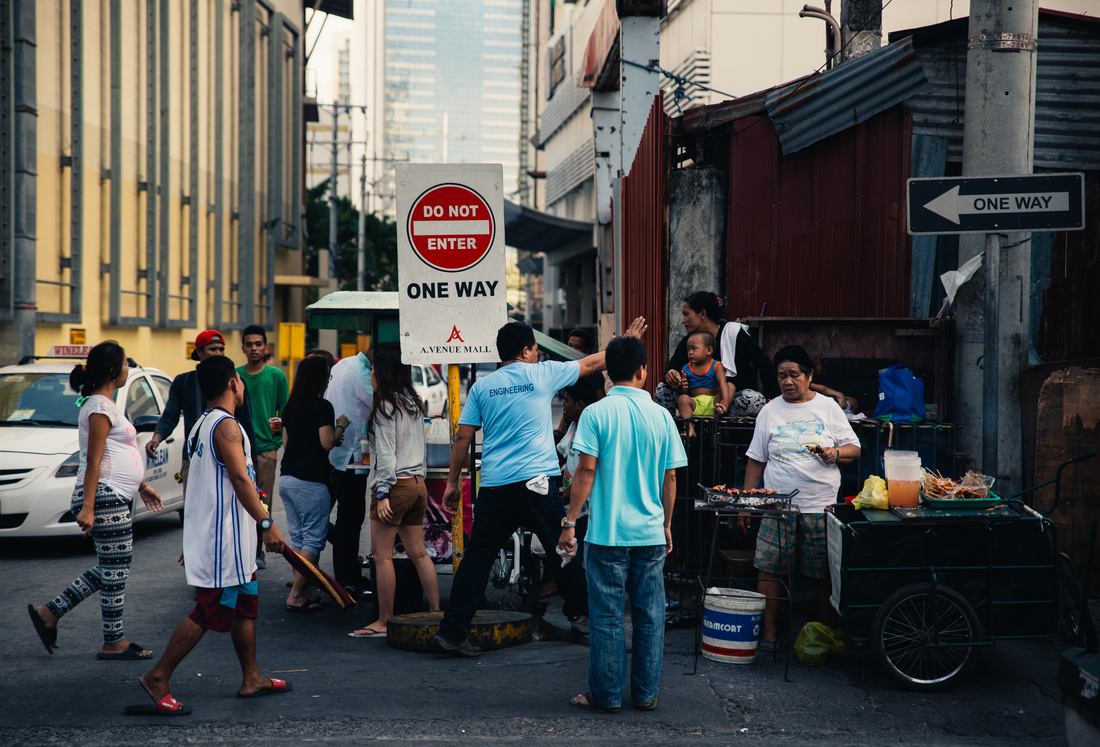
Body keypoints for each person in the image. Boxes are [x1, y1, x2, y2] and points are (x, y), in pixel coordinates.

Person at [431, 317, 647, 657]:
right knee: (562, 547)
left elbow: (463, 437)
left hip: (496, 485)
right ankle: (580, 618)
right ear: (528, 350)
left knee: (477, 558)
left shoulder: (482, 388)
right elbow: (592, 362)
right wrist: (627, 343)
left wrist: (452, 484)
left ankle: (453, 631)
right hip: (536, 483)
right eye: (534, 348)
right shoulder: (542, 374)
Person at [136, 356, 290, 715]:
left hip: (230, 539)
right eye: (239, 380)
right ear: (234, 383)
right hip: (226, 541)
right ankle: (158, 676)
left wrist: (194, 537)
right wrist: (267, 524)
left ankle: (251, 676)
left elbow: (202, 486)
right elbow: (240, 480)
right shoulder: (226, 427)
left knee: (245, 607)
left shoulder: (201, 424)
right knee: (209, 610)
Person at [557, 336, 687, 713]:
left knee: (607, 617)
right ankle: (646, 695)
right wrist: (666, 525)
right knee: (650, 616)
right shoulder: (662, 416)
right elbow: (671, 479)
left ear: (609, 373)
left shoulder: (596, 414)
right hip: (649, 533)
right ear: (643, 371)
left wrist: (569, 522)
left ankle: (607, 695)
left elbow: (586, 472)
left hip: (607, 534)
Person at [28, 342, 165, 659]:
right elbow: (94, 460)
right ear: (114, 371)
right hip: (104, 494)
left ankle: (50, 613)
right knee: (116, 567)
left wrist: (142, 484)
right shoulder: (99, 408)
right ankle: (111, 640)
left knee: (113, 566)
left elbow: (116, 453)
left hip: (110, 494)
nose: (128, 368)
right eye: (125, 364)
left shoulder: (104, 404)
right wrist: (88, 506)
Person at [743, 344, 860, 651]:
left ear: (809, 376)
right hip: (777, 505)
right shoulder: (769, 411)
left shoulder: (827, 408)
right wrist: (746, 501)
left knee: (821, 573)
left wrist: (834, 453)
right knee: (768, 568)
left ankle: (821, 633)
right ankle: (768, 633)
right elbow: (756, 459)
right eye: (782, 376)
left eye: (794, 374)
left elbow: (854, 448)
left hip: (819, 506)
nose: (788, 382)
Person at [349, 350, 438, 638]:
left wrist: (383, 492)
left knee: (382, 557)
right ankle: (436, 613)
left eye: (374, 371)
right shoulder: (412, 402)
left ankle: (384, 620)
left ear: (384, 373)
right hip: (416, 484)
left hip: (395, 486)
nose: (371, 376)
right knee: (419, 554)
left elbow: (386, 455)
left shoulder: (385, 408)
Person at [278, 356, 346, 611]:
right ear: (319, 378)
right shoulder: (322, 407)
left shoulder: (290, 406)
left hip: (287, 479)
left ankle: (304, 590)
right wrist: (340, 428)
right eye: (327, 375)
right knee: (313, 541)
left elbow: (286, 442)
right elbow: (326, 443)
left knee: (299, 539)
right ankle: (296, 594)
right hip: (312, 481)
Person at [147, 330, 256, 487]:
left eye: (221, 349)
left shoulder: (235, 381)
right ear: (199, 352)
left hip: (230, 456)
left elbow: (246, 422)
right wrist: (156, 438)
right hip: (194, 458)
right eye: (213, 349)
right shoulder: (183, 382)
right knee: (195, 507)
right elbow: (170, 416)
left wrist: (252, 461)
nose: (219, 353)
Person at [660, 292, 774, 416]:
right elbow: (672, 369)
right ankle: (672, 430)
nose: (683, 321)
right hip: (695, 403)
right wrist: (671, 374)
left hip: (729, 403)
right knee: (662, 389)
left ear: (703, 314)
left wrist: (775, 399)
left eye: (686, 314)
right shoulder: (688, 342)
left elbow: (764, 364)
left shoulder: (733, 333)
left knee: (754, 400)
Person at [237, 325, 289, 568]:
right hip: (238, 448)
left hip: (267, 449)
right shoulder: (236, 376)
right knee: (241, 500)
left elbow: (285, 412)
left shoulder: (277, 376)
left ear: (265, 347)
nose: (254, 348)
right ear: (243, 348)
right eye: (249, 344)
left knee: (262, 501)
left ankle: (258, 548)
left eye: (258, 344)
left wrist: (279, 428)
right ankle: (244, 547)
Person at [324, 347, 374, 595]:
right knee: (351, 518)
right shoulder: (363, 373)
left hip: (339, 451)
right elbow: (380, 403)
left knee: (346, 517)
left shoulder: (343, 364)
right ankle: (347, 579)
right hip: (351, 454)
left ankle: (347, 574)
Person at [675, 331, 732, 434]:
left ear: (709, 350)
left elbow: (722, 382)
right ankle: (689, 428)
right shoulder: (686, 368)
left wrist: (724, 400)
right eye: (688, 349)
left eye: (694, 348)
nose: (690, 352)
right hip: (695, 404)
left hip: (714, 403)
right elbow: (685, 391)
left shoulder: (716, 366)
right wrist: (683, 387)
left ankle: (722, 408)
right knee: (682, 399)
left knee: (730, 386)